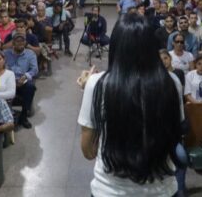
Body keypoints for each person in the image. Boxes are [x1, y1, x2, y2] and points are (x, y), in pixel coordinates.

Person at [78, 14, 182, 196]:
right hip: (162, 191)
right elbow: (175, 137)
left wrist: (89, 91)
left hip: (109, 191)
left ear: (116, 47)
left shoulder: (96, 84)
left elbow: (88, 151)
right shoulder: (172, 82)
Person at [3, 34, 38, 129]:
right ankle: (6, 116)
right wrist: (10, 79)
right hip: (8, 81)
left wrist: (25, 76)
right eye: (18, 41)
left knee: (30, 87)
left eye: (22, 41)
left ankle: (24, 115)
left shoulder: (30, 54)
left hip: (22, 81)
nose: (20, 43)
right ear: (13, 43)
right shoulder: (5, 54)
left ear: (25, 42)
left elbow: (34, 69)